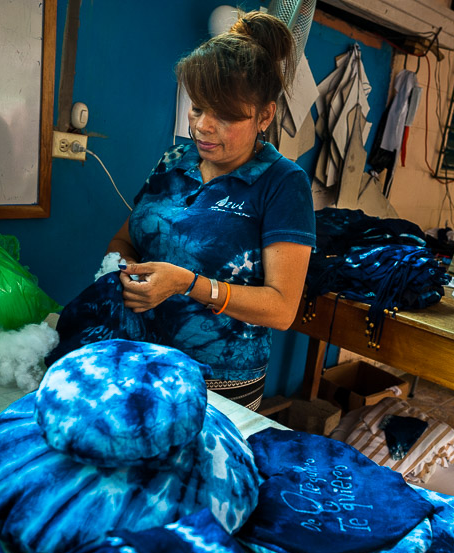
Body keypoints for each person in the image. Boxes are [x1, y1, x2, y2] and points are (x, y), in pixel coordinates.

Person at [105, 11, 316, 412]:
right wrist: (124, 270)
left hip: (218, 383)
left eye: (225, 115)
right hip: (142, 358)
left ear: (264, 116)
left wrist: (188, 284)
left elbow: (282, 308)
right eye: (198, 108)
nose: (203, 126)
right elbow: (125, 238)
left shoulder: (283, 184)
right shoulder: (174, 159)